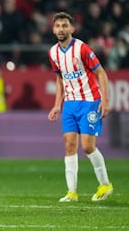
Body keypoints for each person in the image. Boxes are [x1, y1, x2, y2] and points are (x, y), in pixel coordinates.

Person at [47, 12, 113, 202]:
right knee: (69, 146)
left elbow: (101, 73)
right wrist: (57, 105)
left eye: (65, 25)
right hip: (70, 104)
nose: (61, 29)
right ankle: (72, 192)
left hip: (90, 102)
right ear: (53, 29)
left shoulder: (82, 48)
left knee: (87, 146)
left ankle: (105, 184)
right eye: (58, 26)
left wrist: (106, 101)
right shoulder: (53, 53)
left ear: (72, 29)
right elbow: (59, 79)